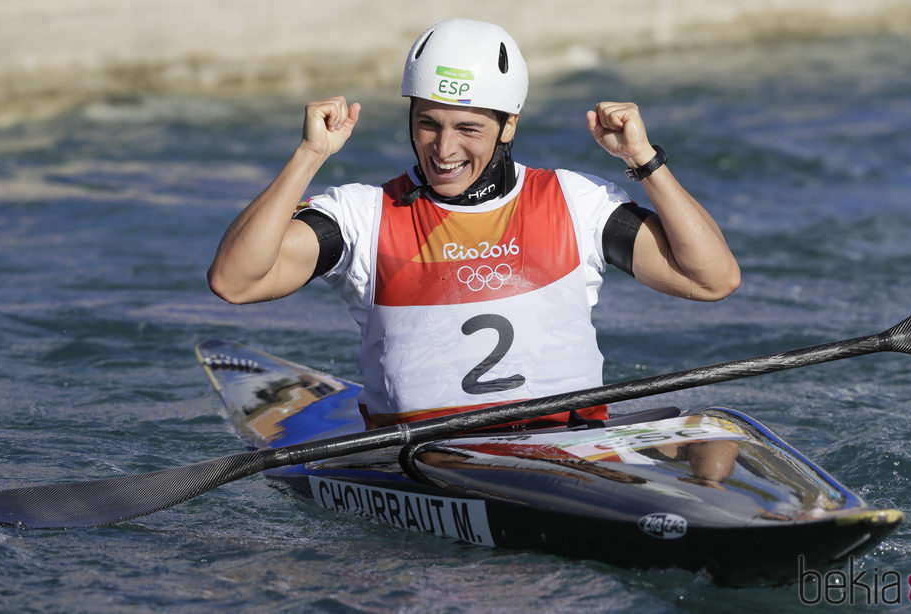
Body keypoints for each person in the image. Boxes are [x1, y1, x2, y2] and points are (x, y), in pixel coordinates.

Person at [208, 18, 740, 430]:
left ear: (509, 124)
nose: (444, 150)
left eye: (468, 128)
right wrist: (308, 154)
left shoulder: (576, 201)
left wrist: (645, 161)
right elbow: (237, 281)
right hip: (428, 458)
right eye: (427, 125)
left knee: (715, 448)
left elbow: (710, 279)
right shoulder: (361, 214)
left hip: (571, 448)